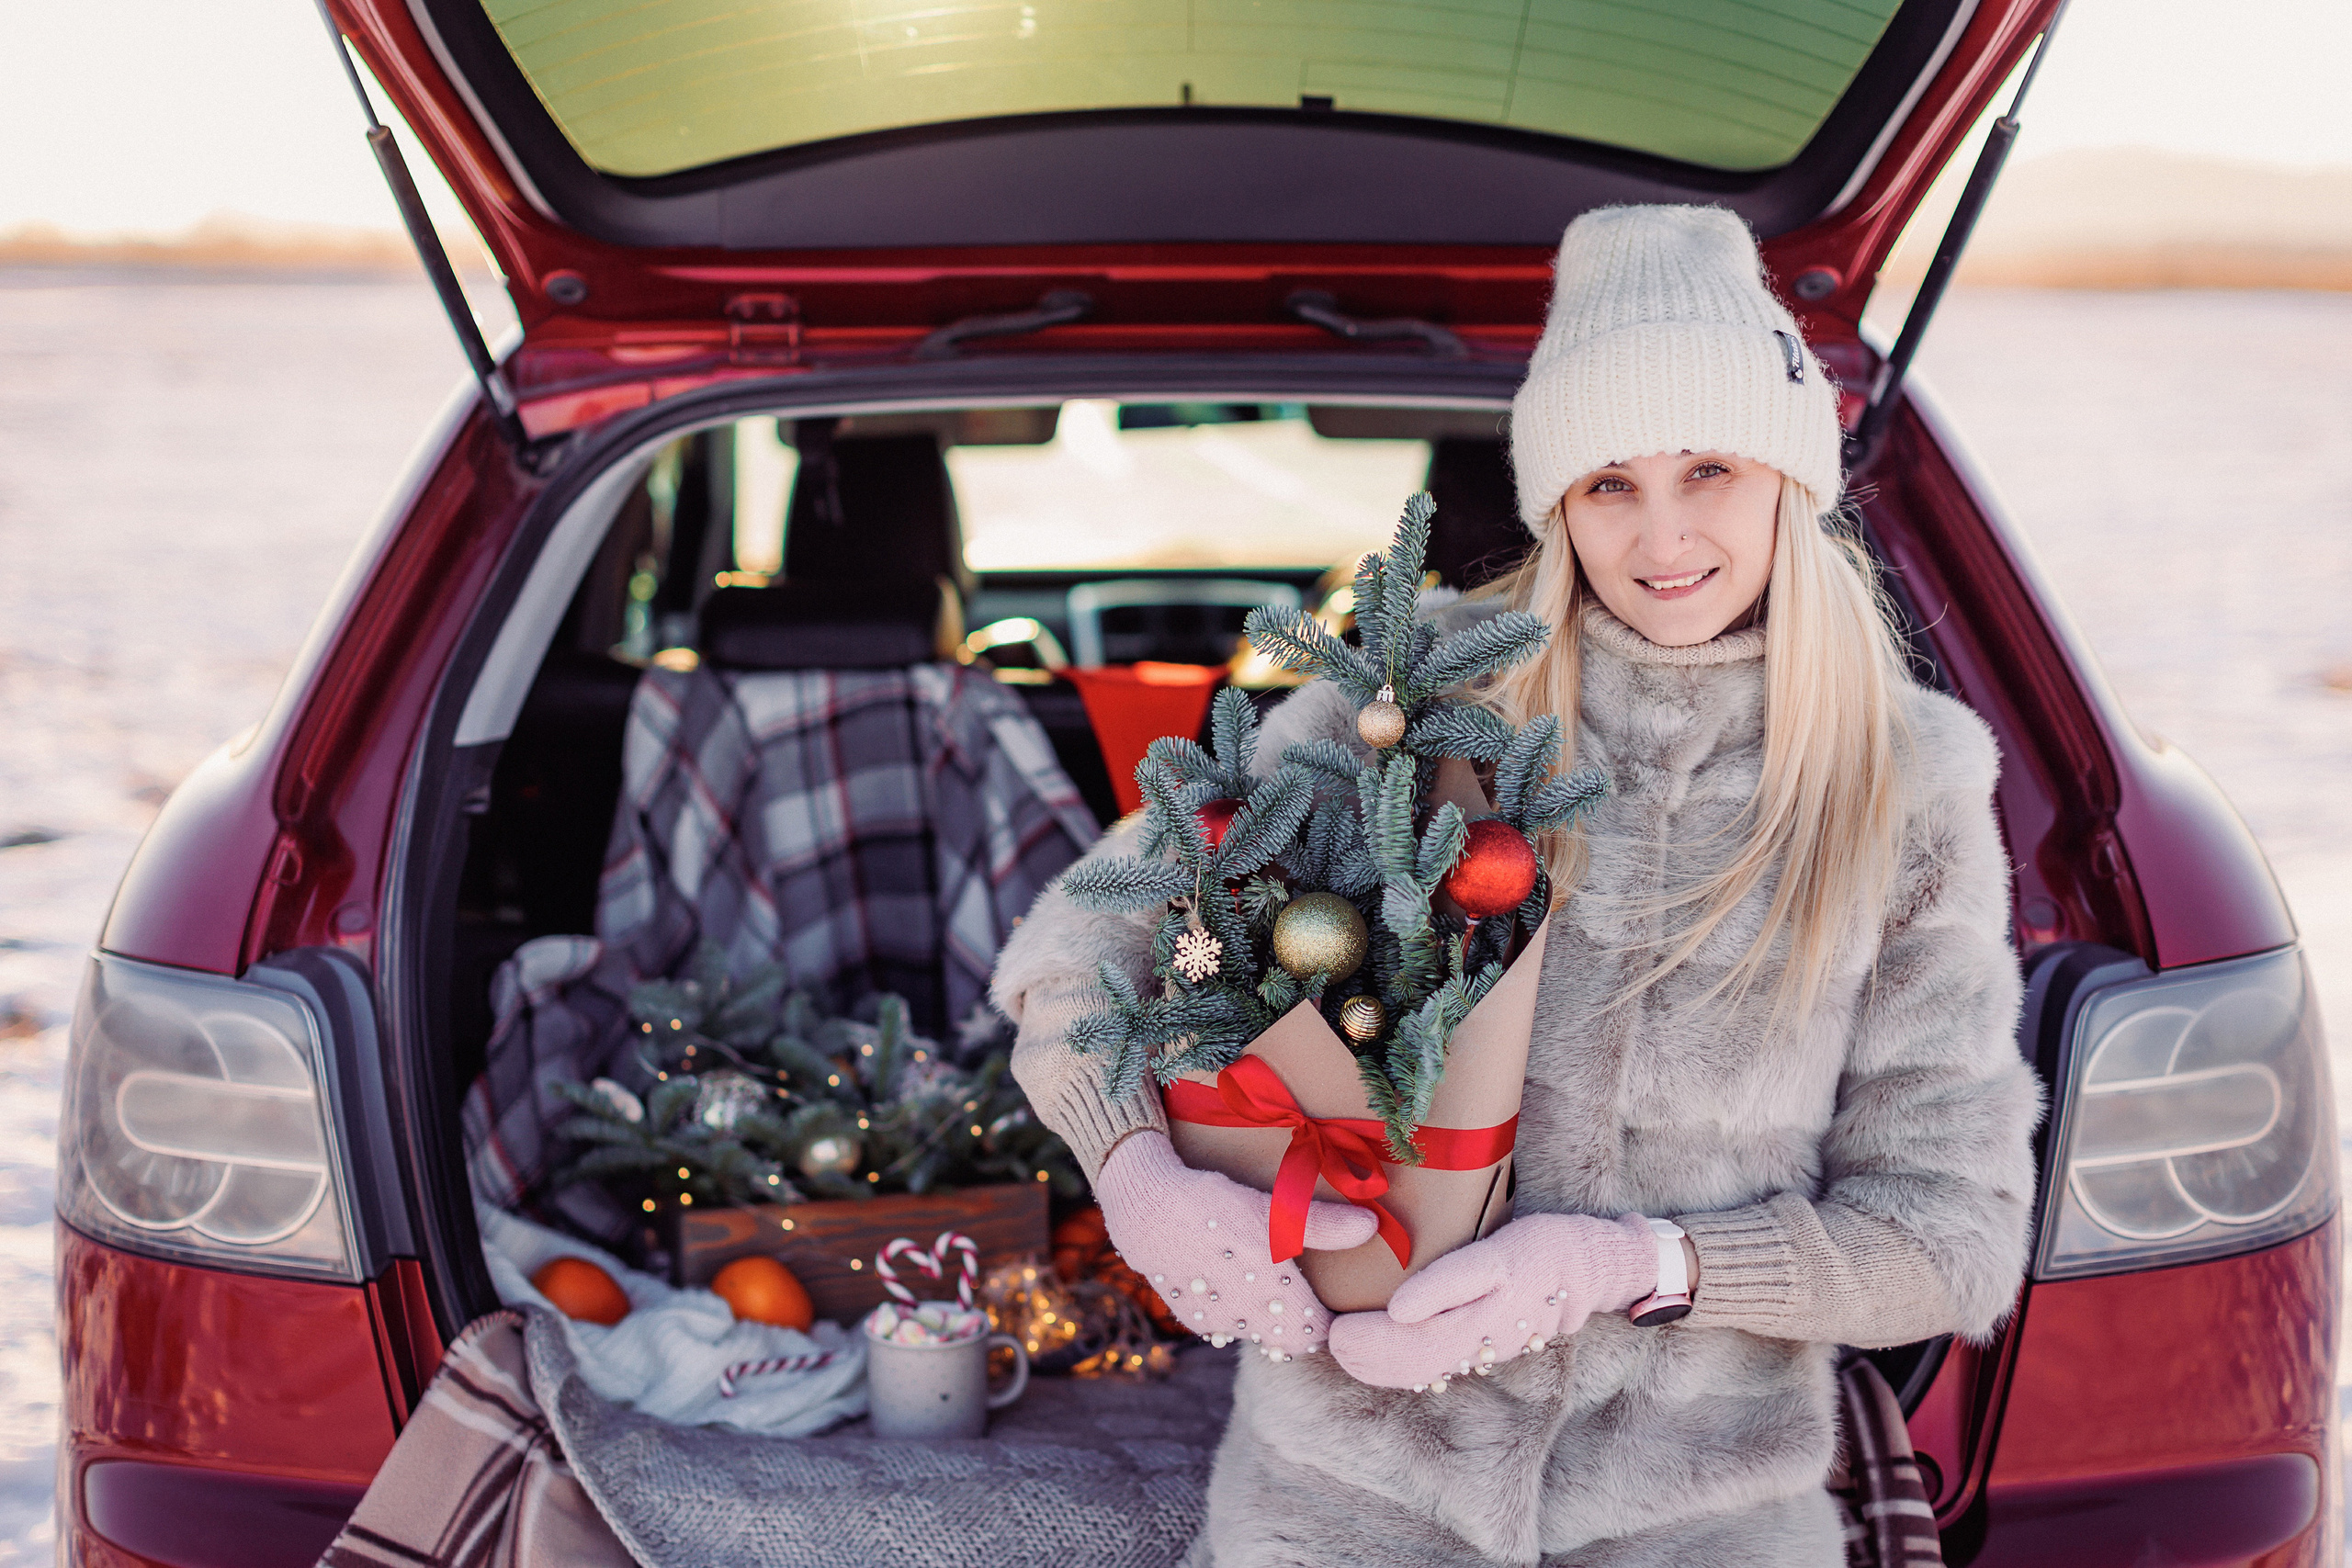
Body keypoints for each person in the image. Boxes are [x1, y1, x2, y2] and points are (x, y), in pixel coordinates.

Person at [989, 204, 2041, 1566]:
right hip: (1338, 1501)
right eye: (1607, 484)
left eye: (1709, 468)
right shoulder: (1411, 696)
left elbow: (1953, 1237)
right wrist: (1138, 1176)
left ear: (1791, 474)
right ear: (1554, 504)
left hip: (1700, 1525)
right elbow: (1079, 955)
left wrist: (1632, 1268)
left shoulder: (1909, 789)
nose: (1662, 535)